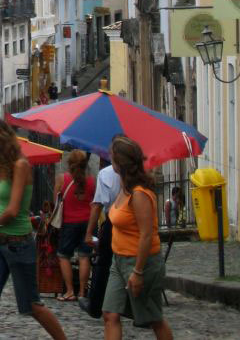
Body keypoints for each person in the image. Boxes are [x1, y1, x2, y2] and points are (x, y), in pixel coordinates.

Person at [0, 116, 67, 340]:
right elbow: (1, 205)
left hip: (19, 244)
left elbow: (14, 209)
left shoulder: (21, 165)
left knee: (32, 305)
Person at [102, 136, 173, 340]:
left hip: (142, 263)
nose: (109, 159)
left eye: (112, 156)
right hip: (119, 261)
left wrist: (138, 271)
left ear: (120, 163)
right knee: (110, 314)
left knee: (153, 318)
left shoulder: (140, 194)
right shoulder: (124, 189)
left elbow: (146, 235)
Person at [80, 152, 122, 317]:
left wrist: (89, 233)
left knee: (103, 263)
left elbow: (97, 205)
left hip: (113, 221)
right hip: (134, 224)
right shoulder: (139, 172)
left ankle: (95, 304)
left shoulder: (106, 174)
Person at [54, 148, 95, 302]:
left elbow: (56, 203)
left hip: (69, 223)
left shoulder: (62, 179)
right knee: (84, 257)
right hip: (88, 223)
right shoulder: (91, 181)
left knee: (64, 256)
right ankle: (83, 293)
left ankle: (70, 290)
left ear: (69, 164)